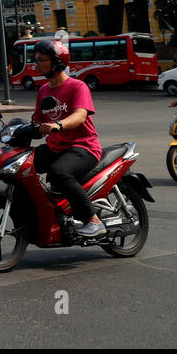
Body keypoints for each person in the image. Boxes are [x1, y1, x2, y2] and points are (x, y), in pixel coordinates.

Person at [30, 39, 105, 238]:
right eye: (35, 60)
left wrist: (58, 125)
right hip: (56, 147)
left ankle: (93, 220)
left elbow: (80, 115)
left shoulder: (77, 86)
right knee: (24, 165)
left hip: (83, 147)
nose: (35, 64)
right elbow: (37, 121)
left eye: (40, 60)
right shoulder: (43, 90)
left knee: (59, 172)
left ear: (55, 62)